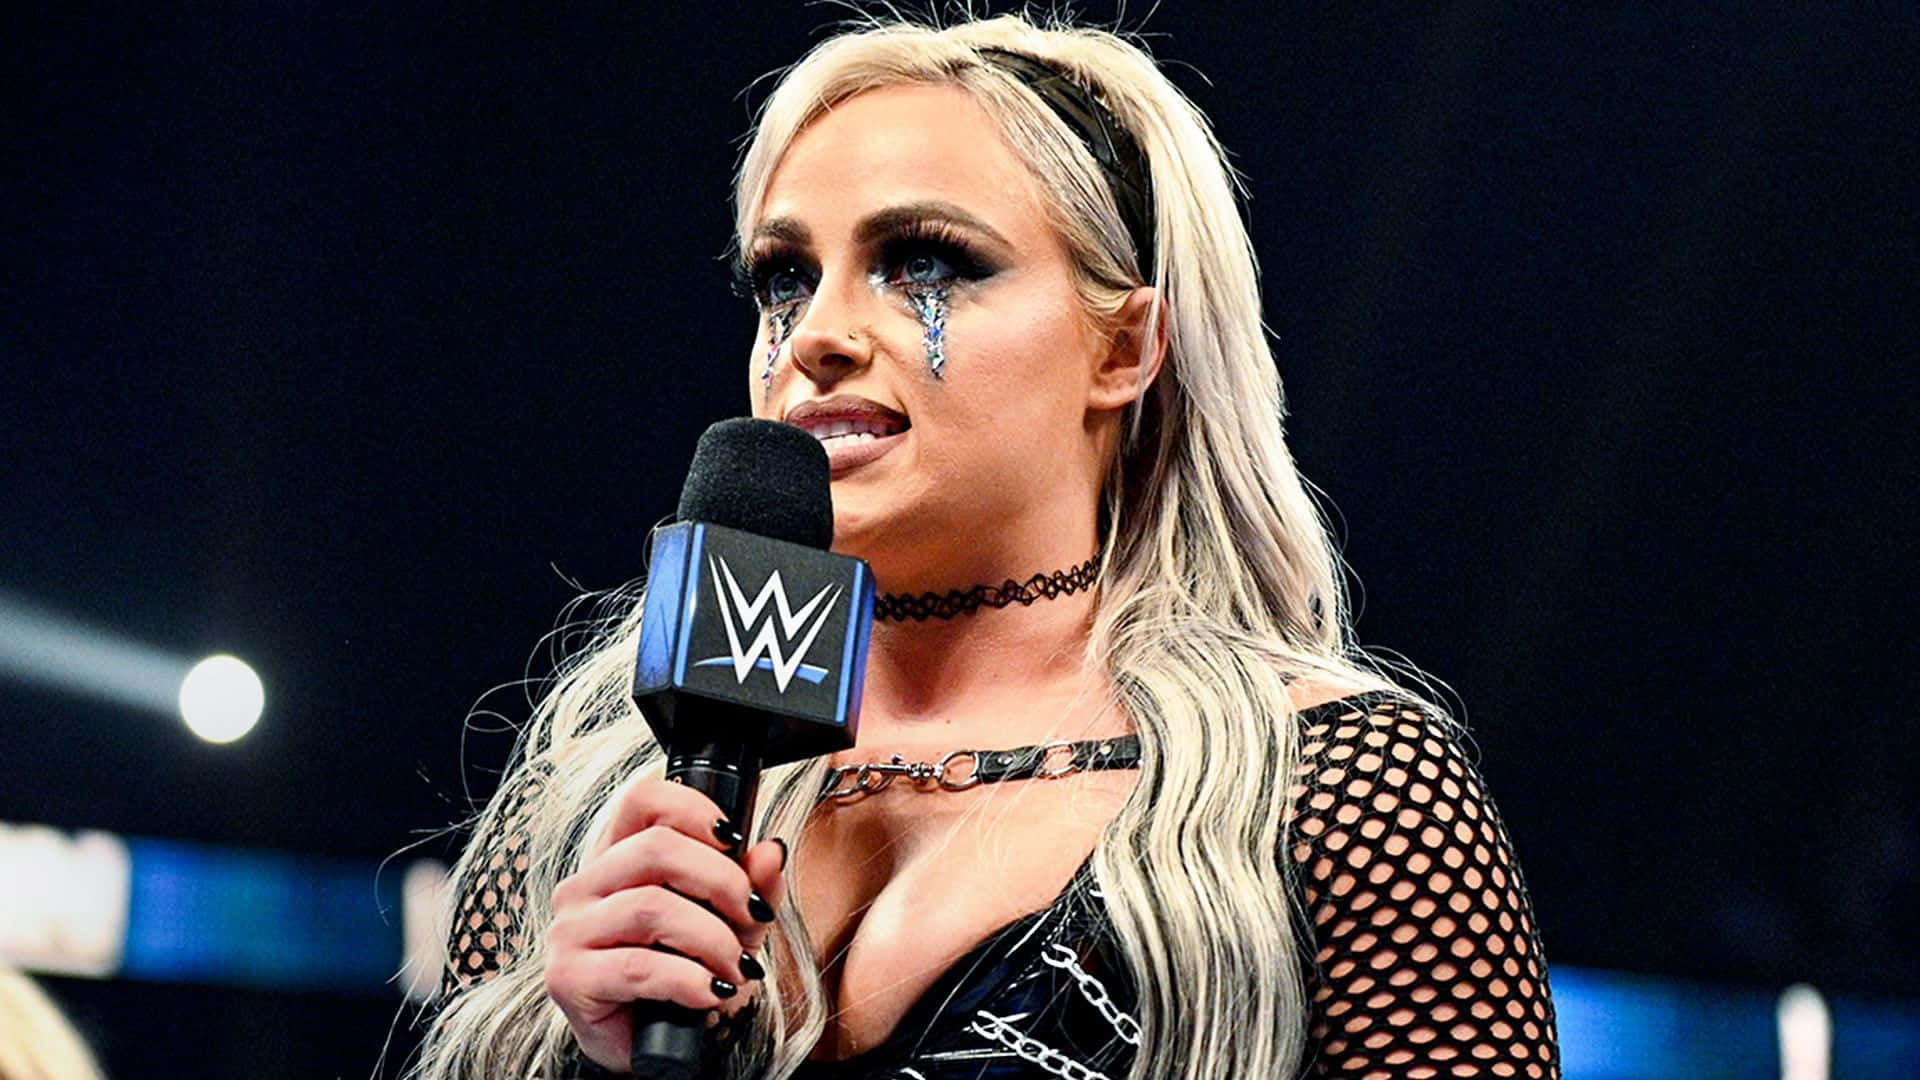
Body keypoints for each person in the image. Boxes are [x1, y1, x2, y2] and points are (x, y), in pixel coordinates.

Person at [413, 13, 1559, 1079]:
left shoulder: (1334, 787)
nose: (816, 335)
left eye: (928, 262)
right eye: (784, 278)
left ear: (1125, 350)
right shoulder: (588, 809)